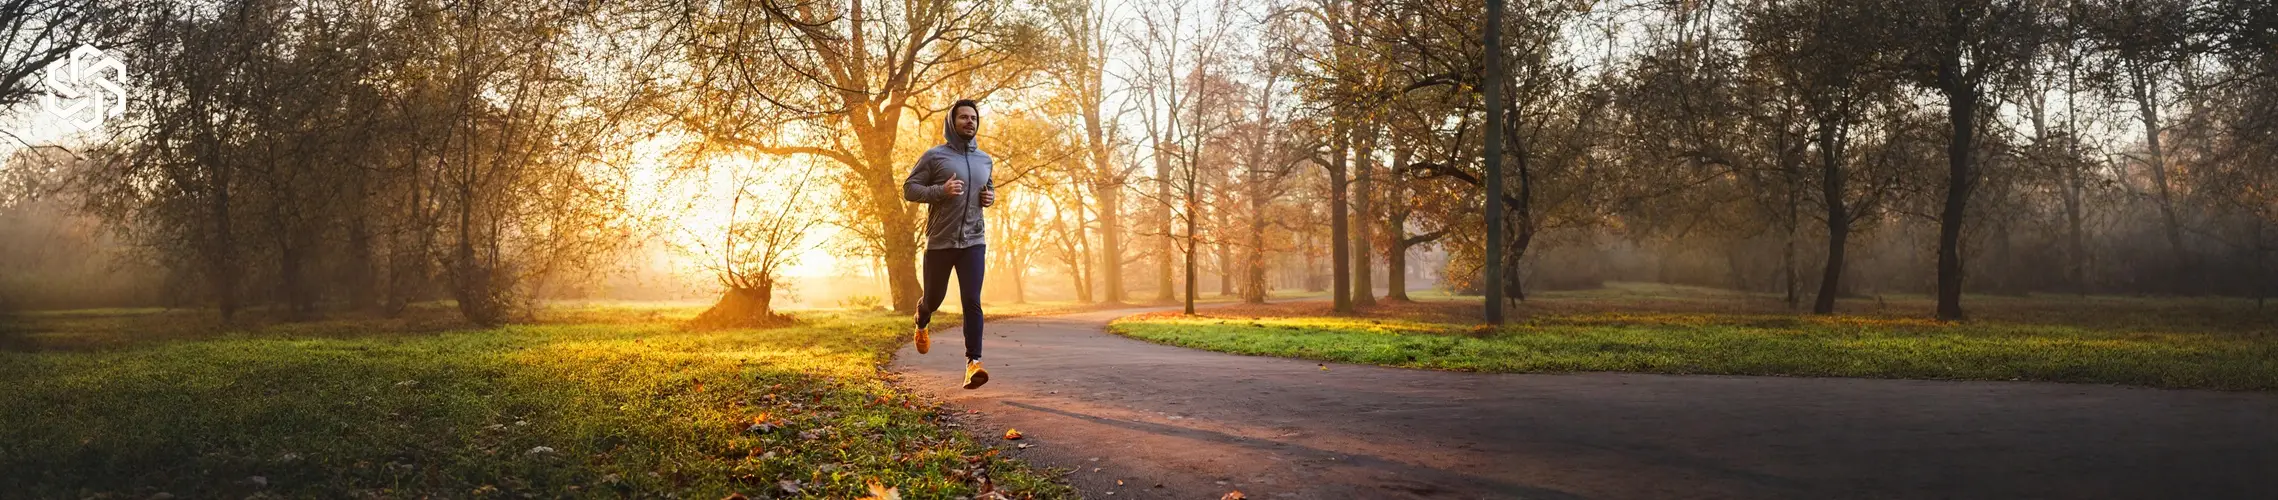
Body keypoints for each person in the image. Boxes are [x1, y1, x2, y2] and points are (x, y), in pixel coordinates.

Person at [902, 99, 996, 390]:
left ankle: (973, 364)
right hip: (941, 241)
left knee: (972, 301)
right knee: (934, 298)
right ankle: (921, 320)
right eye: (964, 118)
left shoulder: (985, 159)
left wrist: (990, 197)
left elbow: (987, 187)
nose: (970, 122)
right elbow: (909, 189)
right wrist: (940, 191)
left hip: (974, 241)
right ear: (952, 122)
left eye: (973, 118)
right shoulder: (934, 156)